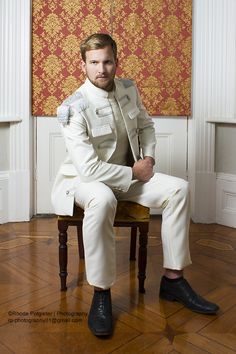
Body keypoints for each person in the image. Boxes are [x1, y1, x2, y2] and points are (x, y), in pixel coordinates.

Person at [51, 33, 219, 337]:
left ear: (116, 62)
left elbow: (146, 126)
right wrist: (135, 173)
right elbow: (88, 169)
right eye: (94, 63)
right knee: (102, 199)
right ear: (83, 64)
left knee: (178, 188)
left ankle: (173, 279)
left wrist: (149, 157)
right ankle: (101, 293)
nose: (101, 69)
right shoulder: (73, 108)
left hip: (131, 175)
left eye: (107, 61)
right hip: (84, 182)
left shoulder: (128, 89)